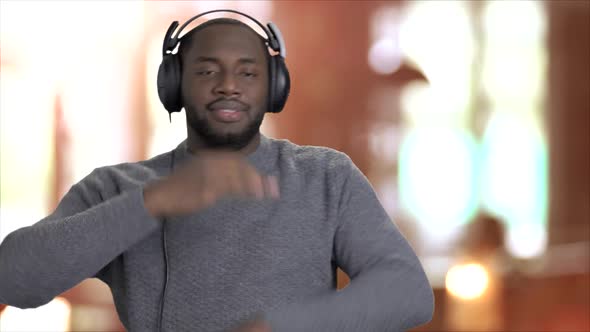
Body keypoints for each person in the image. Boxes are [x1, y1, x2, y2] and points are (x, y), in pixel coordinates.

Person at [0, 10, 434, 332]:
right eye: (207, 70)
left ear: (274, 87)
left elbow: (407, 290)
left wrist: (278, 326)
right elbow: (12, 279)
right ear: (174, 85)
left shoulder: (326, 176)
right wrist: (153, 202)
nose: (228, 84)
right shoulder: (117, 188)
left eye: (247, 72)